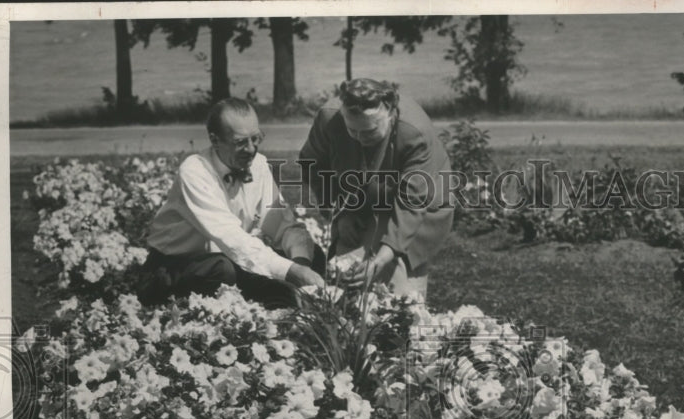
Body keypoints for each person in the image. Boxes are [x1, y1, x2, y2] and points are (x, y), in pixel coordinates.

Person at [137, 98, 324, 309]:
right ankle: (253, 310)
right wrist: (291, 272)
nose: (252, 149)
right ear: (215, 140)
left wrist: (301, 264)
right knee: (222, 270)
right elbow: (231, 237)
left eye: (256, 138)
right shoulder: (195, 171)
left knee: (311, 252)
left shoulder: (259, 164)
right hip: (175, 267)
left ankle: (284, 304)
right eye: (241, 142)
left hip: (230, 259)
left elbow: (282, 224)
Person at [299, 79, 454, 301]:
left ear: (390, 113)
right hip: (360, 195)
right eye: (352, 130)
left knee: (396, 292)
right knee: (346, 277)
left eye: (370, 131)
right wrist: (340, 213)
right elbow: (312, 164)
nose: (360, 140)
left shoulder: (414, 132)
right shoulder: (329, 118)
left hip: (419, 197)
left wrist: (381, 259)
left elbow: (411, 203)